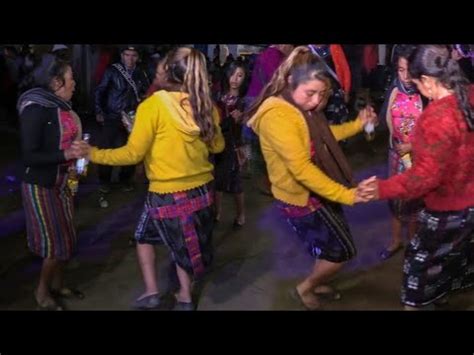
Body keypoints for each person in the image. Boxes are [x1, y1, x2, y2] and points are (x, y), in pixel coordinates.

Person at [76, 47, 224, 311]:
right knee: (181, 244)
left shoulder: (153, 105)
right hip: (201, 193)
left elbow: (132, 154)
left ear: (167, 71)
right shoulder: (206, 105)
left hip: (166, 193)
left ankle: (153, 291)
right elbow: (217, 147)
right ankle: (185, 297)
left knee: (146, 239)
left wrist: (93, 153)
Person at [245, 46, 378, 310]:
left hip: (315, 191)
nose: (317, 102)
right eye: (311, 93)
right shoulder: (278, 115)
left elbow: (323, 137)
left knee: (330, 247)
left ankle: (317, 281)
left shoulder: (298, 106)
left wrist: (356, 125)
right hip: (301, 198)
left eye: (322, 94)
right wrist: (348, 195)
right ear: (289, 81)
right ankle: (305, 288)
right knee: (343, 251)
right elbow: (302, 169)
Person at [361, 45, 474, 310]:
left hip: (449, 209)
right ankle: (441, 293)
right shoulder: (468, 95)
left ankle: (421, 302)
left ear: (426, 80)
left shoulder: (435, 118)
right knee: (454, 257)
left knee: (418, 267)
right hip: (470, 208)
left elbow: (423, 179)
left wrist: (382, 188)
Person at [17, 56, 88, 310]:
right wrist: (66, 155)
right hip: (41, 185)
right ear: (56, 82)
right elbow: (29, 155)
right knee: (54, 243)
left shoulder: (63, 107)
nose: (75, 83)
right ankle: (42, 292)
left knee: (67, 237)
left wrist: (79, 162)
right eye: (71, 78)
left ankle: (58, 285)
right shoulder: (35, 109)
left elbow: (74, 141)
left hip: (64, 183)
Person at [378, 44, 425, 260]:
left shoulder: (426, 94)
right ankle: (396, 241)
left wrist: (413, 146)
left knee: (415, 200)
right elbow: (383, 120)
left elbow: (436, 135)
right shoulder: (394, 89)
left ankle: (413, 242)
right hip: (396, 155)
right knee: (396, 198)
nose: (405, 77)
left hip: (420, 158)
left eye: (410, 71)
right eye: (400, 70)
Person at [94, 45, 150, 208]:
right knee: (107, 148)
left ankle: (125, 180)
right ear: (122, 55)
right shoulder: (112, 71)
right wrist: (99, 111)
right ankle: (105, 181)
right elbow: (100, 91)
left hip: (132, 118)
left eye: (134, 55)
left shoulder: (141, 73)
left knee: (131, 149)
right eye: (127, 54)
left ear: (138, 57)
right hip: (112, 116)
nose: (130, 58)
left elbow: (146, 93)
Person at [213, 60, 249, 228]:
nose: (235, 79)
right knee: (217, 180)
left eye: (240, 75)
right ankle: (217, 212)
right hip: (218, 143)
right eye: (233, 74)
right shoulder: (218, 96)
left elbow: (250, 123)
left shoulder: (244, 101)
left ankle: (241, 214)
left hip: (235, 144)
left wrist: (242, 118)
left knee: (235, 182)